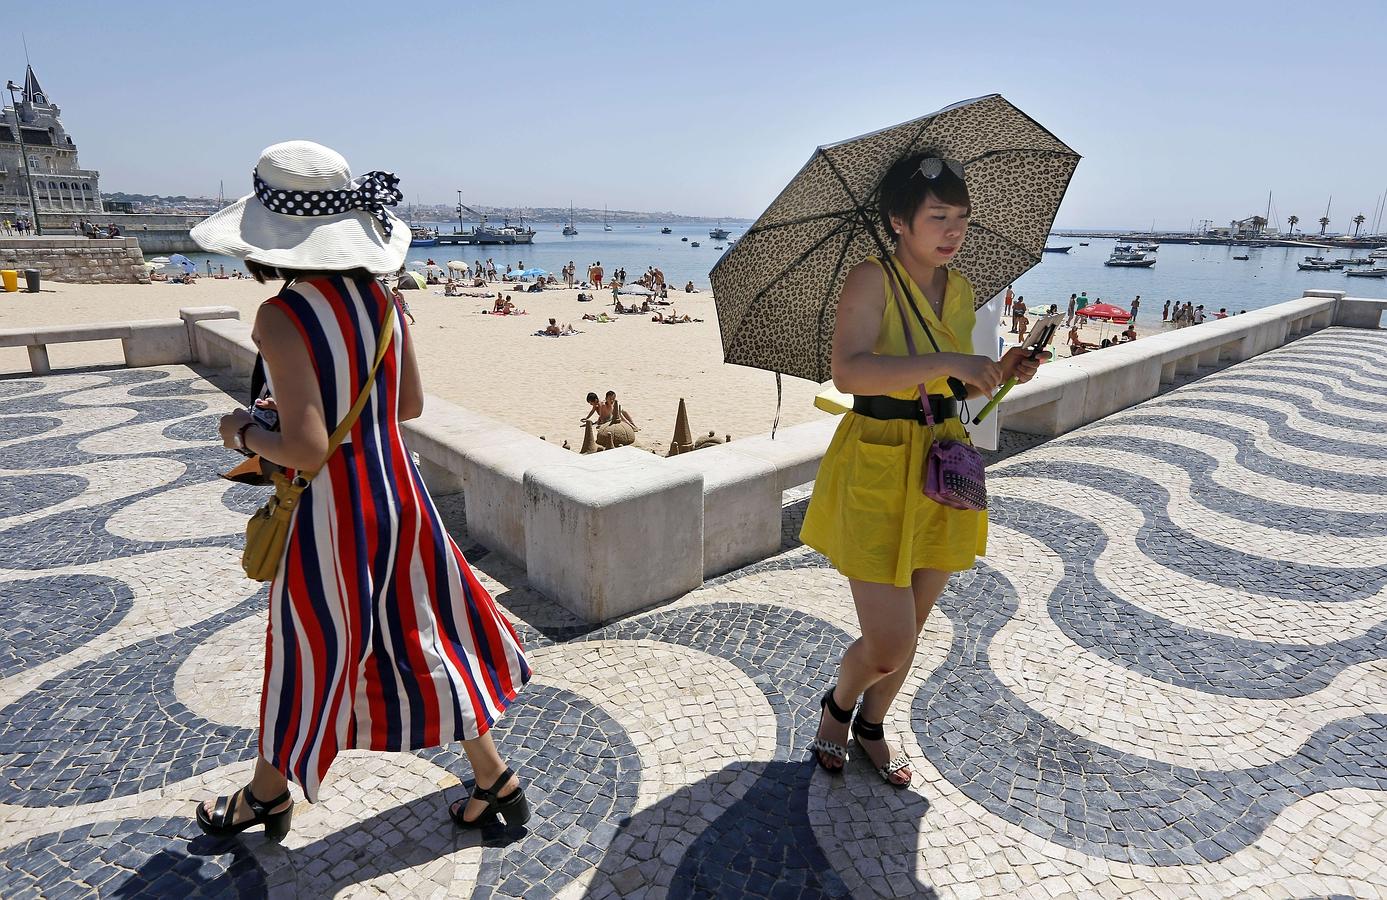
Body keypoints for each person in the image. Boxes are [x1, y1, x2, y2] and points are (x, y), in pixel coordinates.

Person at [194, 140, 530, 841]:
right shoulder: (381, 299)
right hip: (400, 501)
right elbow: (406, 405)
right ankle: (495, 781)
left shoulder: (282, 317)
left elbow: (308, 447)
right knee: (425, 635)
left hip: (331, 515)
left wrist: (240, 430)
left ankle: (266, 796)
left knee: (308, 648)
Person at [799, 153, 1044, 788]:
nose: (953, 231)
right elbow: (850, 372)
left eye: (961, 218)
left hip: (942, 459)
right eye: (938, 217)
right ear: (898, 221)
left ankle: (874, 724)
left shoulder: (958, 288)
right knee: (889, 642)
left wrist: (1000, 371)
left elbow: (951, 389)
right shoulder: (870, 280)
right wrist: (953, 359)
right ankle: (838, 706)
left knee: (917, 622)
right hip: (877, 459)